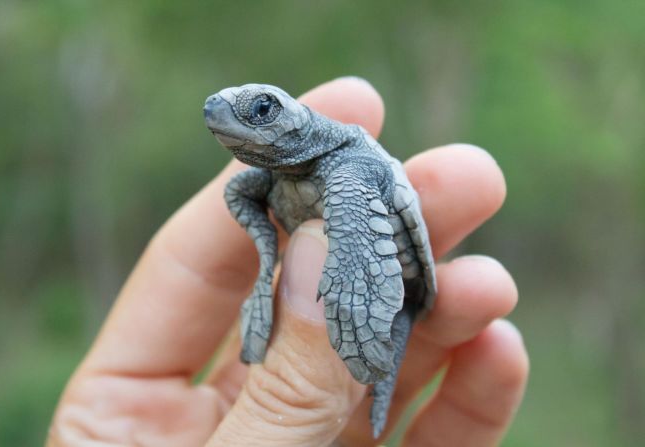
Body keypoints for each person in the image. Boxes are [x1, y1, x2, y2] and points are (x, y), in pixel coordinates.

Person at [47, 77, 528, 447]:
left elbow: (364, 228)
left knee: (385, 333)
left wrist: (346, 299)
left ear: (294, 120)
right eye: (220, 115)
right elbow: (247, 206)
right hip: (340, 255)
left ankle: (377, 361)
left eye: (258, 111)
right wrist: (265, 256)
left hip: (398, 273)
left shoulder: (347, 163)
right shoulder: (259, 181)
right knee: (238, 189)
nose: (224, 117)